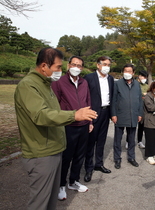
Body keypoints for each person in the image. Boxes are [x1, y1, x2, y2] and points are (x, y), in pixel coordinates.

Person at [14, 47, 97, 210]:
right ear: (44, 66)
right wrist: (74, 115)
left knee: (50, 201)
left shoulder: (46, 83)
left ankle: (71, 182)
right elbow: (41, 115)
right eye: (58, 67)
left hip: (53, 148)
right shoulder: (29, 86)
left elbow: (55, 111)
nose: (60, 70)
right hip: (41, 153)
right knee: (40, 202)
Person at [51, 56, 92, 200]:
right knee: (66, 157)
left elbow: (88, 101)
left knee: (79, 156)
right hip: (68, 125)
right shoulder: (59, 82)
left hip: (84, 125)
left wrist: (90, 121)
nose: (76, 67)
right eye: (74, 64)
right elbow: (54, 104)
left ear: (82, 68)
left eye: (79, 65)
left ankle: (73, 181)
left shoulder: (84, 82)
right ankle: (61, 184)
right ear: (68, 66)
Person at [83, 56, 114, 182]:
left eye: (109, 64)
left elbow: (112, 96)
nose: (107, 67)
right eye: (104, 64)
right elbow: (84, 96)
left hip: (106, 112)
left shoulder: (111, 79)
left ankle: (99, 164)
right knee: (90, 142)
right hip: (93, 113)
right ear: (98, 65)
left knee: (101, 140)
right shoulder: (89, 78)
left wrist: (112, 114)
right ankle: (88, 168)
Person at [111, 64, 143, 169]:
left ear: (133, 73)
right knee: (118, 140)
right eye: (125, 71)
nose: (127, 73)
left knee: (131, 139)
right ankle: (117, 159)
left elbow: (139, 100)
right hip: (120, 115)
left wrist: (139, 113)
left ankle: (131, 158)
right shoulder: (117, 84)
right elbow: (113, 100)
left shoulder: (137, 85)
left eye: (129, 71)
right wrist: (113, 114)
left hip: (133, 115)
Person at [136, 70, 149, 149]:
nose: (143, 78)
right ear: (139, 76)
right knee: (131, 125)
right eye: (142, 76)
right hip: (135, 107)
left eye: (144, 77)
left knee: (142, 125)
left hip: (144, 108)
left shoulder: (147, 86)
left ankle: (139, 141)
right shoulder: (135, 84)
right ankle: (128, 141)